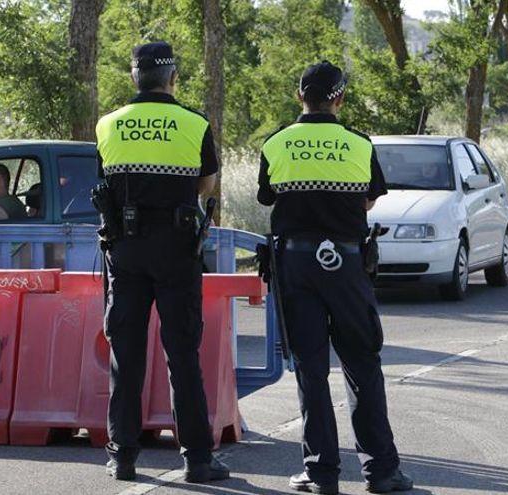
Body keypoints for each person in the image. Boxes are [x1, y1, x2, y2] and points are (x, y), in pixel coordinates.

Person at [257, 60, 413, 495]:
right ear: (339, 98)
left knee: (310, 370)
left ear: (298, 96)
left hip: (296, 266)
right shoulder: (359, 145)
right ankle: (382, 472)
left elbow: (268, 196)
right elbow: (368, 201)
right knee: (362, 365)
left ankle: (321, 474)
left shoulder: (277, 143)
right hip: (345, 265)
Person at [95, 41, 229, 484]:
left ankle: (122, 457)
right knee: (182, 355)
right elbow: (206, 185)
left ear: (134, 77)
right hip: (176, 250)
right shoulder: (194, 124)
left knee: (126, 356)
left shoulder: (108, 125)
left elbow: (106, 183)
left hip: (125, 250)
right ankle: (196, 459)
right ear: (173, 78)